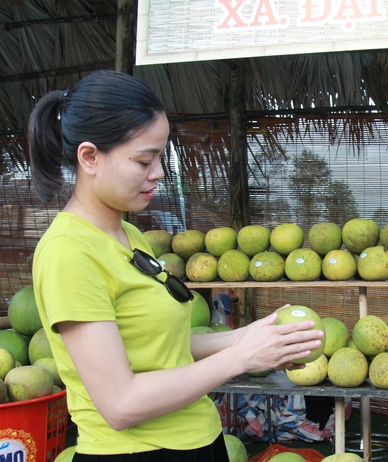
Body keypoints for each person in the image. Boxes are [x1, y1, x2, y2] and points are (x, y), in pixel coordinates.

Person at [28, 70, 324, 461]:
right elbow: (121, 404)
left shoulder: (128, 236)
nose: (159, 173)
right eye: (143, 160)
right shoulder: (69, 252)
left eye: (160, 157)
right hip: (138, 453)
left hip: (197, 440)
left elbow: (160, 346)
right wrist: (240, 359)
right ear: (89, 157)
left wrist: (250, 337)